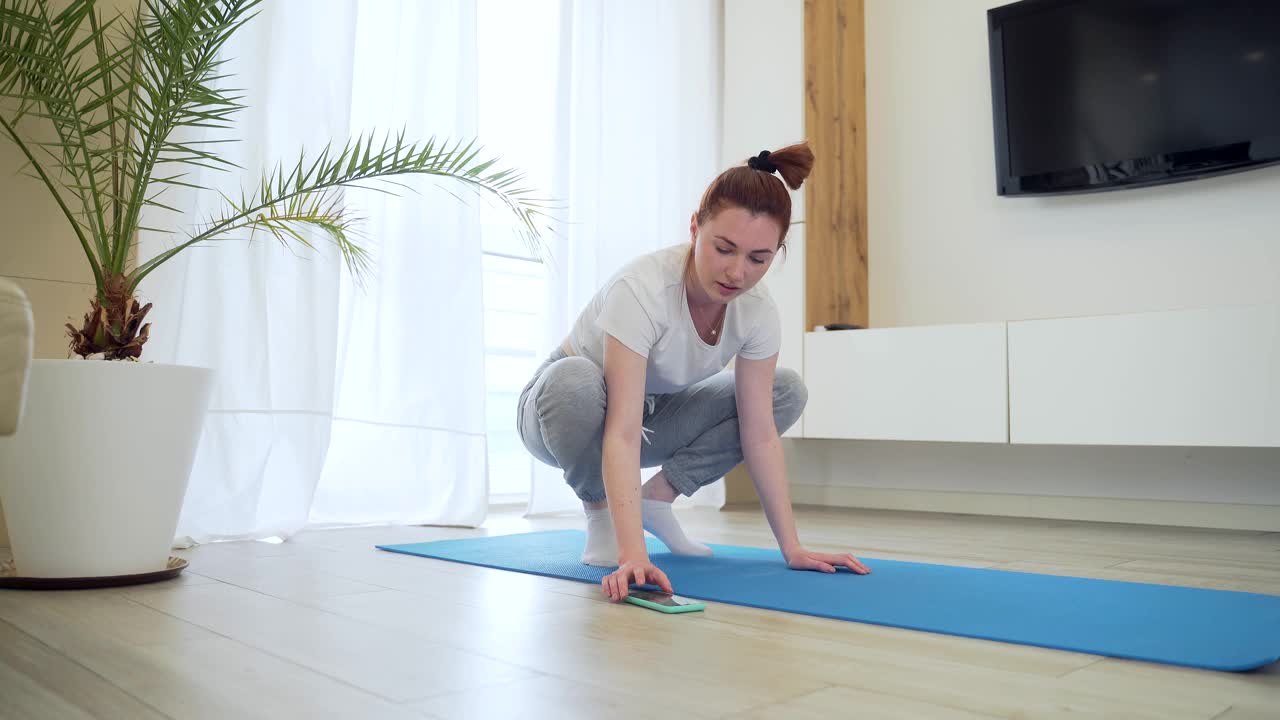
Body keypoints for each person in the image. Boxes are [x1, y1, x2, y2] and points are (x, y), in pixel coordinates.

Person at [517, 142, 871, 602]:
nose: (736, 272)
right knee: (576, 380)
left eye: (758, 259)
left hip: (654, 411)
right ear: (694, 228)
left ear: (776, 254)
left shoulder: (758, 312)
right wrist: (633, 554)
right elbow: (621, 431)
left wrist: (793, 548)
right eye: (724, 249)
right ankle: (600, 511)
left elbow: (760, 433)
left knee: (786, 390)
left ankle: (657, 497)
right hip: (559, 411)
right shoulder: (641, 288)